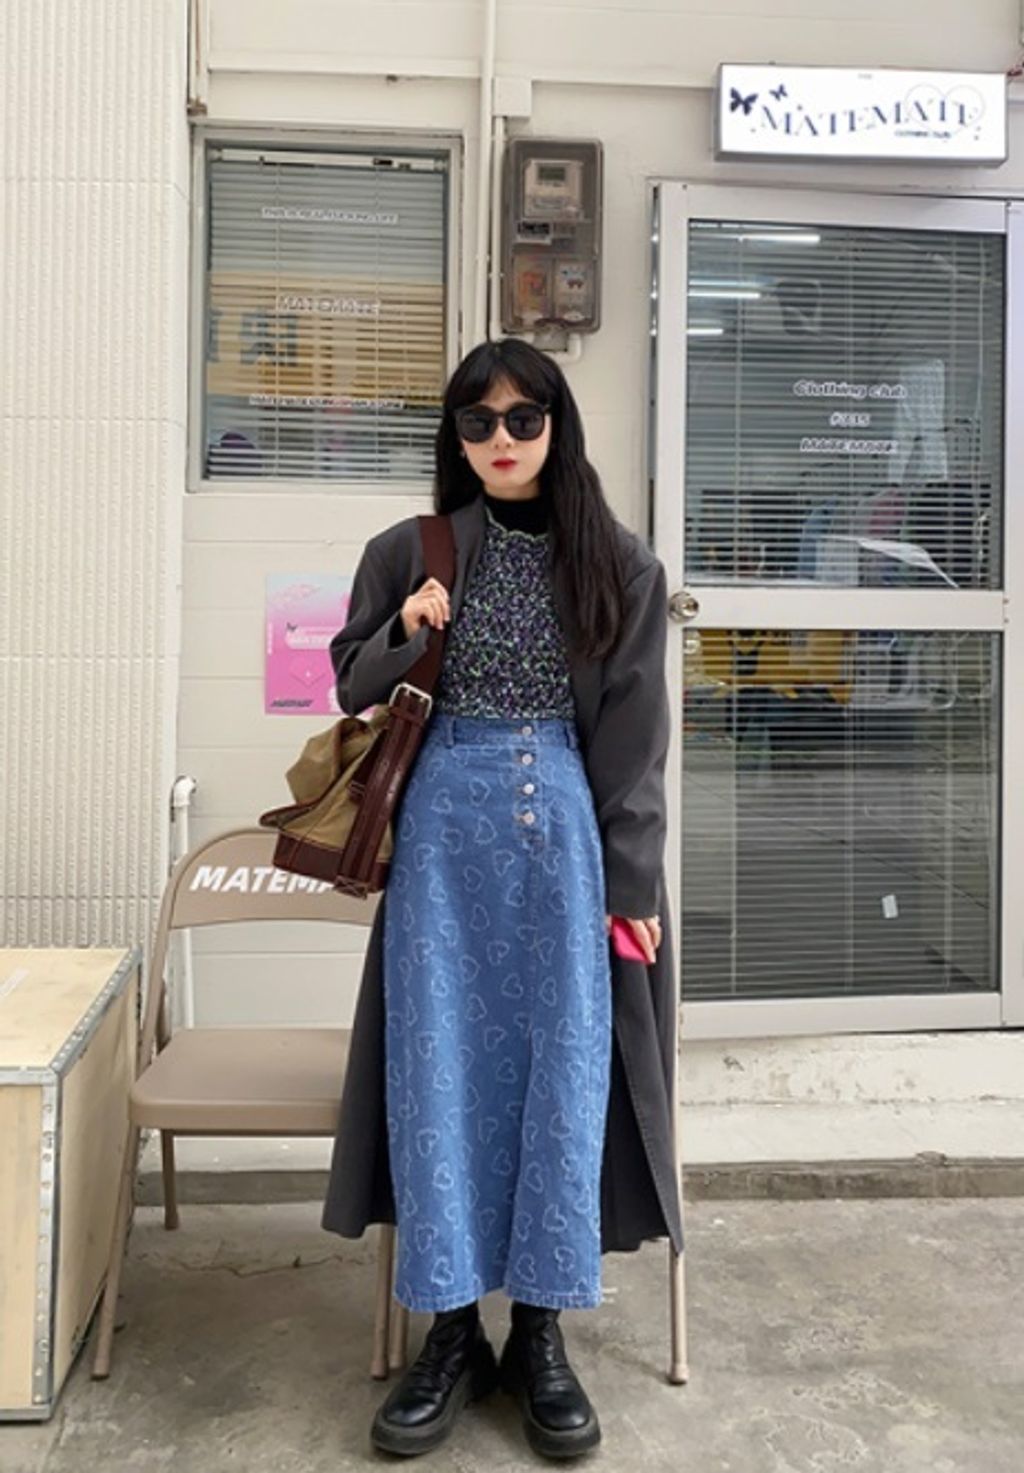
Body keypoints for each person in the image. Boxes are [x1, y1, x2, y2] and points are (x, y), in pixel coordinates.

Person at [321, 338, 678, 1459]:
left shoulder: (617, 564)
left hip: (565, 849)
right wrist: (407, 628)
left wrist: (632, 881)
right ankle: (448, 1332)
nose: (503, 440)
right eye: (478, 422)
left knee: (561, 1075)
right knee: (439, 1071)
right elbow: (347, 678)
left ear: (557, 427)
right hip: (439, 853)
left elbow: (633, 740)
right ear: (456, 436)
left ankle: (539, 1331)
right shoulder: (410, 549)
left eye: (525, 418)